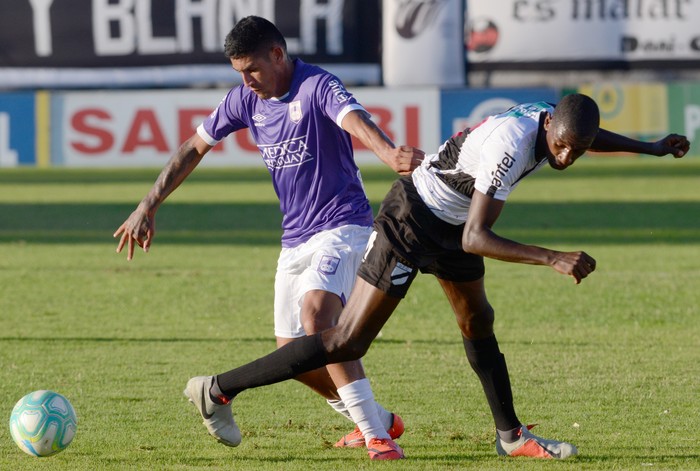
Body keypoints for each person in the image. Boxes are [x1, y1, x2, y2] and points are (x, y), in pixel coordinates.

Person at [183, 93, 690, 460]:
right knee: (345, 341)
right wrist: (551, 257)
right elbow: (477, 238)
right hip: (415, 218)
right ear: (549, 126)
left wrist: (652, 147)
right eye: (562, 147)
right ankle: (218, 388)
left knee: (478, 320)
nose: (566, 157)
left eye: (576, 151)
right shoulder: (511, 147)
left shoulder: (554, 121)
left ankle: (510, 435)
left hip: (451, 222)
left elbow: (586, 131)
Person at [113, 16, 424, 460]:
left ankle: (377, 436)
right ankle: (372, 418)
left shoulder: (316, 85)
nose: (245, 81)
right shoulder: (244, 99)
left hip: (343, 226)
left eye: (252, 69)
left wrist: (389, 152)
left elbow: (355, 120)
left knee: (318, 317)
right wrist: (148, 203)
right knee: (292, 355)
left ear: (277, 54)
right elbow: (192, 147)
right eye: (238, 72)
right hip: (294, 238)